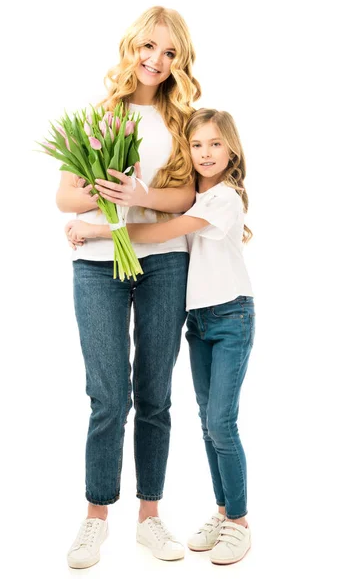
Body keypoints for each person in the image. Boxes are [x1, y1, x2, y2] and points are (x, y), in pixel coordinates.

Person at [66, 108, 255, 566]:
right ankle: (106, 516)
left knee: (202, 416)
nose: (205, 153)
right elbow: (67, 196)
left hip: (221, 310)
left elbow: (165, 227)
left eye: (214, 144)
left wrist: (98, 225)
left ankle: (230, 519)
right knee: (122, 400)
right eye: (198, 146)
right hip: (199, 320)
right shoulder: (200, 196)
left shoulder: (219, 198)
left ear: (231, 148)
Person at [57, 6, 201, 568]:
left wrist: (136, 193)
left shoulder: (183, 122)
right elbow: (65, 197)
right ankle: (96, 517)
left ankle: (150, 517)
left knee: (156, 396)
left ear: (180, 61)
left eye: (170, 53)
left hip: (165, 263)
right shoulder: (101, 115)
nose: (156, 61)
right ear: (131, 46)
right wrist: (103, 194)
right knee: (108, 396)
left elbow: (187, 197)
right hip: (96, 264)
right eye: (148, 47)